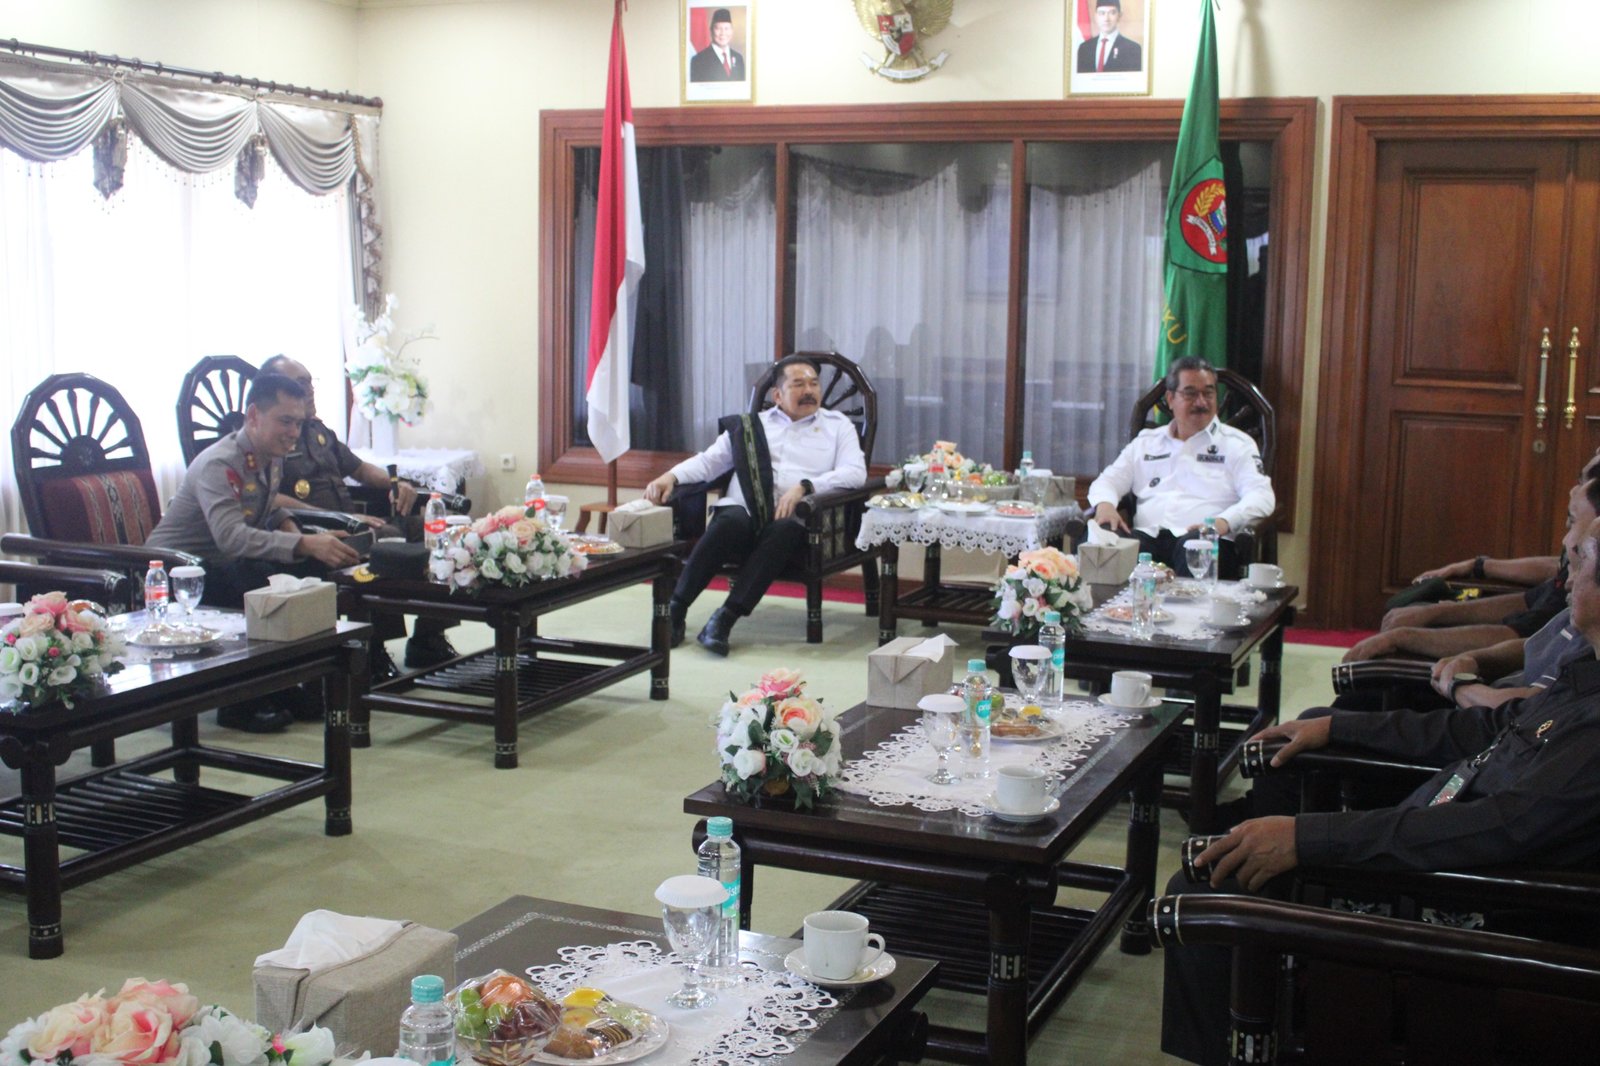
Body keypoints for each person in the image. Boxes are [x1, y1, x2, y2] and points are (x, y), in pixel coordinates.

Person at [1160, 516, 1600, 1065]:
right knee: (1240, 841)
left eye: (1581, 558)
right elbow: (1484, 728)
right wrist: (1337, 729)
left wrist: (1308, 838)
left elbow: (1500, 827)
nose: (1565, 569)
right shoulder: (1587, 673)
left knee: (1208, 894)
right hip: (1443, 853)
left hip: (1478, 918)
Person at [146, 373, 360, 731]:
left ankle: (288, 681)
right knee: (254, 578)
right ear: (253, 416)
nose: (293, 433)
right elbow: (231, 537)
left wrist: (302, 534)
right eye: (285, 421)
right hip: (174, 575)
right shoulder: (220, 463)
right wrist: (303, 543)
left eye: (299, 423)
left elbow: (262, 506)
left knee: (311, 570)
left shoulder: (269, 455)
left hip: (220, 564)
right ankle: (239, 701)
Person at [643, 355, 866, 655]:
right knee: (729, 520)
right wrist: (671, 476)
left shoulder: (838, 427)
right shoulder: (750, 426)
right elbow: (709, 462)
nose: (809, 391)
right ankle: (676, 609)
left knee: (786, 528)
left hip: (796, 520)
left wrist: (805, 487)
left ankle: (725, 618)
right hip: (744, 513)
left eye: (814, 384)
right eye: (798, 384)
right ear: (778, 395)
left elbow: (855, 473)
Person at [257, 355, 456, 670]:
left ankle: (428, 637)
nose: (309, 390)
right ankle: (373, 651)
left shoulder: (318, 431)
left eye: (310, 382)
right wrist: (341, 519)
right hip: (319, 531)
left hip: (355, 523)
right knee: (387, 540)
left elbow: (360, 469)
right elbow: (268, 497)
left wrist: (396, 484)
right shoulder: (273, 437)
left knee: (439, 532)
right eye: (300, 383)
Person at [1343, 474, 1600, 664]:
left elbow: (1523, 640)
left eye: (1572, 521)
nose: (1565, 539)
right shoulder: (1572, 571)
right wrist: (1441, 606)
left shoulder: (1586, 591)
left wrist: (1405, 637)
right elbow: (1529, 601)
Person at [1086, 356, 1275, 578]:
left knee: (1195, 547)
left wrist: (1224, 522)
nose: (1201, 402)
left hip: (1204, 538)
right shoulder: (1147, 442)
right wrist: (1105, 505)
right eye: (1190, 394)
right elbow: (1108, 481)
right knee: (1100, 542)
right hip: (1147, 537)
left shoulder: (1237, 444)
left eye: (1208, 393)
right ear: (1170, 398)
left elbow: (1261, 497)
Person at [1075, 0, 1142, 74]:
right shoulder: (1084, 48)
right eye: (1102, 13)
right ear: (1096, 16)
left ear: (1119, 16)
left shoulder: (1133, 49)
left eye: (1112, 13)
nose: (1106, 19)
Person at [689, 8, 746, 82]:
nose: (723, 33)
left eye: (726, 28)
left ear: (732, 31)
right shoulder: (698, 60)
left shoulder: (738, 58)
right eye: (718, 28)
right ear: (711, 31)